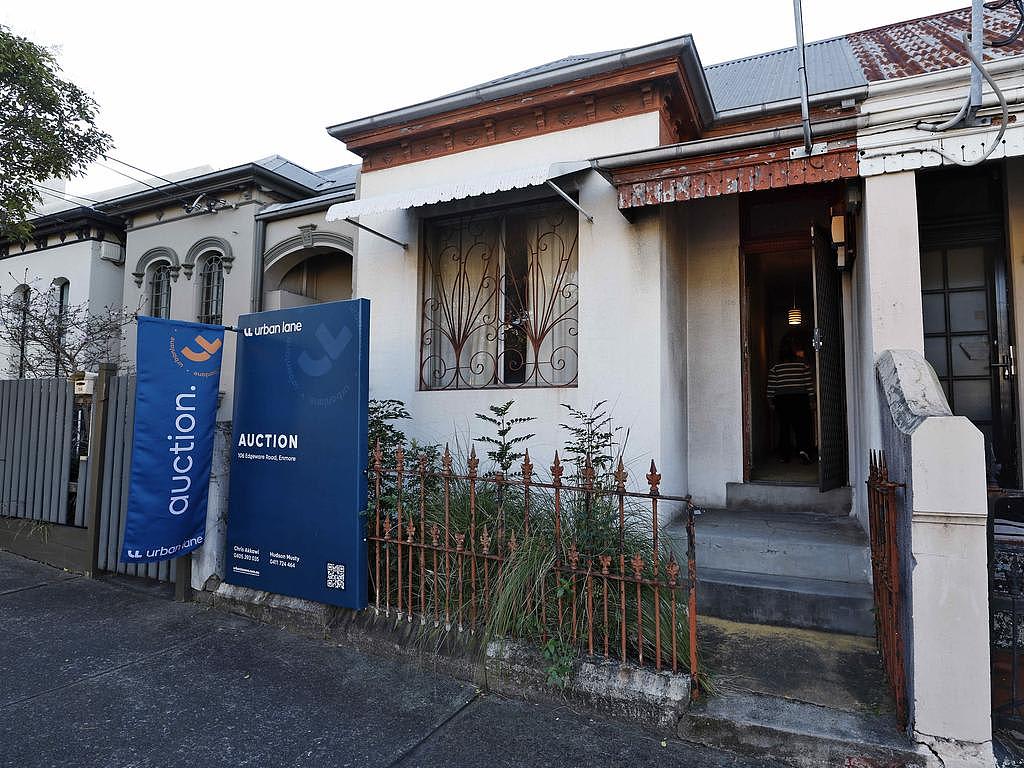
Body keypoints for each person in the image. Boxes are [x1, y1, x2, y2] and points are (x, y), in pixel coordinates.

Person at [767, 335, 816, 464]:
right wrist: (812, 401)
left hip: (782, 400)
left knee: (784, 428)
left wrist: (770, 402)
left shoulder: (775, 367)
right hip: (800, 399)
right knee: (801, 426)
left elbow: (771, 386)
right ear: (794, 351)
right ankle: (803, 450)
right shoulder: (802, 365)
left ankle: (784, 455)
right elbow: (808, 384)